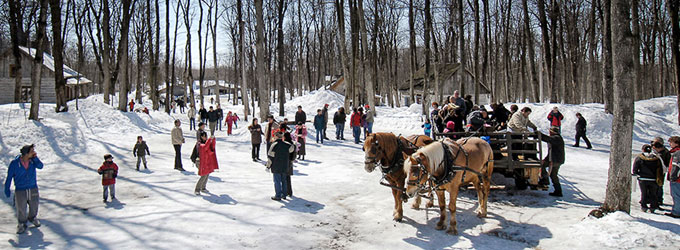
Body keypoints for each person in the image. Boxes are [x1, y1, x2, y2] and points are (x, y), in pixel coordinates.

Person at [4, 144, 43, 234]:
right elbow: (9, 176)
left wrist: (36, 158)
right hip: (20, 189)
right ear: (26, 154)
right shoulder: (14, 164)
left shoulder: (33, 162)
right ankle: (21, 223)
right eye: (32, 151)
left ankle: (32, 218)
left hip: (32, 187)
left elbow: (41, 166)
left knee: (34, 204)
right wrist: (7, 188)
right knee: (21, 207)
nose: (34, 153)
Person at [633, 144, 662, 212]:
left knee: (644, 193)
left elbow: (635, 168)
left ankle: (644, 206)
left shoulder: (640, 158)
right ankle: (653, 207)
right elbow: (660, 168)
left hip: (643, 178)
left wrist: (637, 174)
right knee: (653, 193)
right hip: (653, 179)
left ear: (643, 149)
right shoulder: (656, 158)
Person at [267, 132, 295, 201]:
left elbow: (270, 156)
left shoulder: (274, 145)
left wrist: (268, 166)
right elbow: (292, 149)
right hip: (284, 165)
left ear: (276, 137)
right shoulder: (287, 145)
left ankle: (278, 195)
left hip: (276, 166)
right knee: (284, 180)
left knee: (277, 181)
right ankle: (284, 194)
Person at [538, 127, 565, 197]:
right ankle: (558, 191)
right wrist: (546, 158)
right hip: (557, 159)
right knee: (553, 175)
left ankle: (545, 180)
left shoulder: (556, 138)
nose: (549, 132)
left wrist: (539, 135)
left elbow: (548, 139)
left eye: (550, 131)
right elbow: (551, 151)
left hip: (555, 160)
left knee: (542, 165)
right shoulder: (557, 138)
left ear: (553, 132)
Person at [652, 137, 671, 207]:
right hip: (651, 171)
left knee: (659, 185)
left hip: (661, 171)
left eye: (656, 143)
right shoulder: (652, 150)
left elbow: (668, 162)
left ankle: (659, 199)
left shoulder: (665, 152)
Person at [665, 136, 680, 218]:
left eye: (671, 142)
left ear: (676, 143)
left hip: (677, 179)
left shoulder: (677, 153)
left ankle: (676, 212)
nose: (670, 144)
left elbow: (676, 165)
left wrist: (673, 176)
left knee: (676, 195)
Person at [284, 132, 297, 197]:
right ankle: (289, 191)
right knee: (288, 178)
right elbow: (294, 155)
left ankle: (286, 191)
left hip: (286, 162)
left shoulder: (285, 144)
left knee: (285, 178)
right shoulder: (293, 144)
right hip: (290, 162)